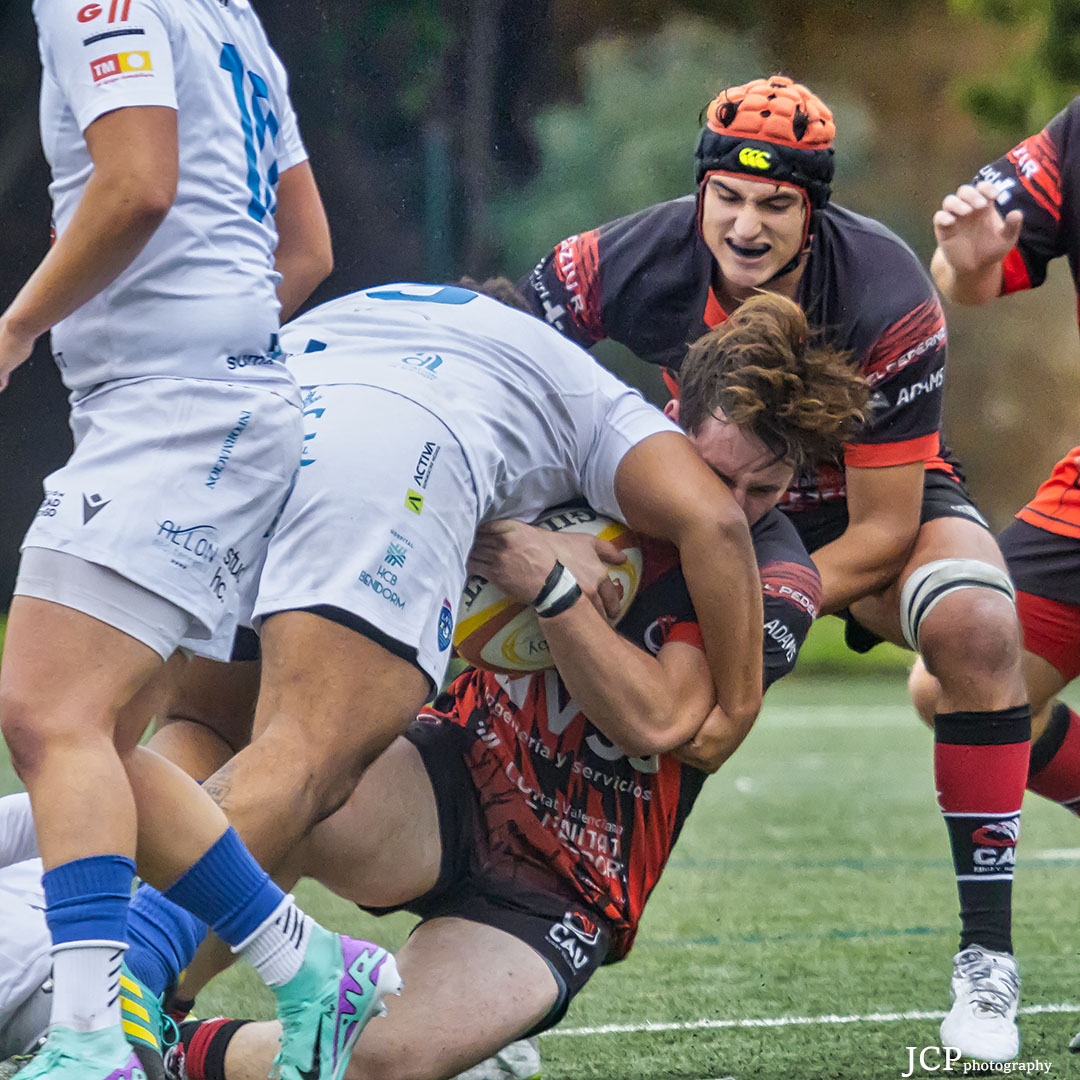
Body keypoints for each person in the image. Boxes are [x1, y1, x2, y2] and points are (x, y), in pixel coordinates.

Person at [1, 293, 863, 1080]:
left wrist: (553, 592)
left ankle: (162, 1041)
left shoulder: (774, 575)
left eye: (768, 488)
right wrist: (503, 533)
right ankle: (117, 986)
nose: (739, 503)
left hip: (569, 877)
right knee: (296, 770)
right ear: (675, 420)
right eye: (722, 476)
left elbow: (659, 718)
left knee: (385, 1062)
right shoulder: (579, 460)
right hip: (444, 783)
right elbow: (447, 455)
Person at [518, 74, 1031, 1062]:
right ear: (701, 191)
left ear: (815, 209)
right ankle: (512, 966)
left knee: (978, 627)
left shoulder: (886, 292)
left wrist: (738, 606)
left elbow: (883, 529)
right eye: (729, 198)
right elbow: (512, 349)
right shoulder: (631, 254)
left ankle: (987, 962)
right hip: (709, 500)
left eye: (776, 204)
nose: (746, 226)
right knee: (605, 680)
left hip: (859, 506)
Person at [0, 3, 399, 1080]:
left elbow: (138, 184)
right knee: (103, 744)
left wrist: (18, 324)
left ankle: (87, 1040)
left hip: (172, 416)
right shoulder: (226, 14)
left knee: (46, 713)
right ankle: (313, 968)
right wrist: (213, 341)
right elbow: (305, 246)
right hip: (227, 405)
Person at [910, 95, 1080, 1053]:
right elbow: (963, 276)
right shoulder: (1077, 135)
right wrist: (968, 255)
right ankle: (986, 971)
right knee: (953, 676)